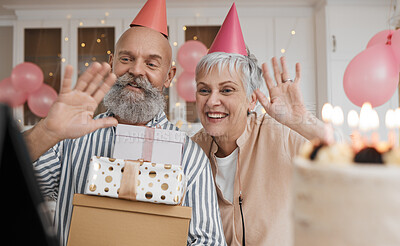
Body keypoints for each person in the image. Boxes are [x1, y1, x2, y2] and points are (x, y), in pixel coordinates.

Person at [23, 1, 226, 245]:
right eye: (127, 58)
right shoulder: (69, 139)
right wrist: (47, 130)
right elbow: (15, 182)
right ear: (112, 63)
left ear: (169, 76)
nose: (137, 70)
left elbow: (208, 241)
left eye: (151, 63)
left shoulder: (189, 156)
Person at [191, 3, 325, 246]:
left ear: (252, 98)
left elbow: (353, 164)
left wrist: (304, 121)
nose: (212, 101)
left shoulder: (282, 136)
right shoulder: (192, 150)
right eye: (204, 90)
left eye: (227, 89)